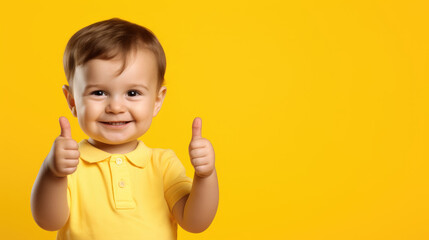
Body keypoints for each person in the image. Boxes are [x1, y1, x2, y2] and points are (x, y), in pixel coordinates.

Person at [30, 18, 219, 240]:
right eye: (99, 93)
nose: (116, 107)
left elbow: (195, 222)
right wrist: (53, 173)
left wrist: (206, 175)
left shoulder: (163, 164)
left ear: (157, 101)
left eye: (132, 93)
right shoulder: (70, 164)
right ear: (72, 101)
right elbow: (48, 221)